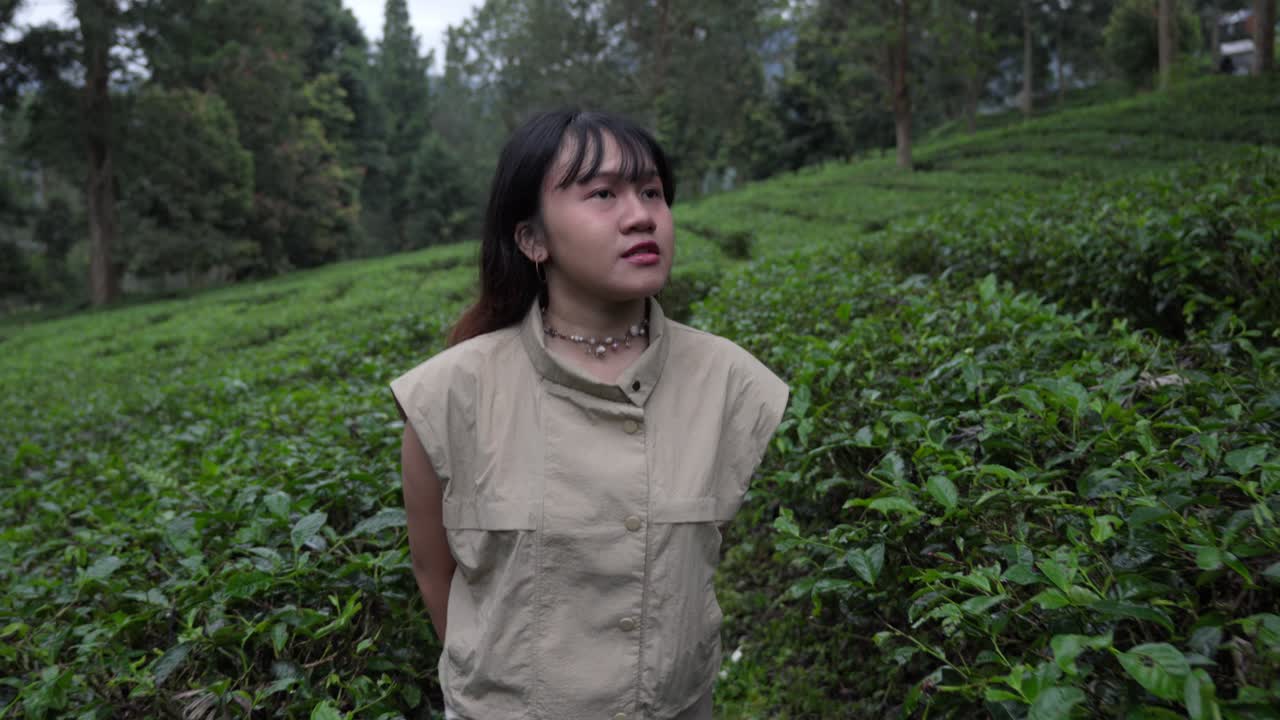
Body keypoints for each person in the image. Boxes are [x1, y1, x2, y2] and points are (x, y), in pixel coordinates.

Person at [390, 109, 789, 720]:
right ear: (532, 239)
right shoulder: (450, 395)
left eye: (652, 191)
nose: (640, 215)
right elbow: (432, 571)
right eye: (602, 193)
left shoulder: (729, 382)